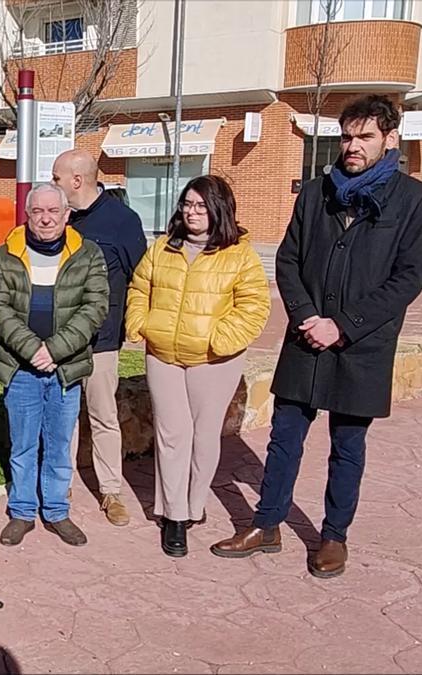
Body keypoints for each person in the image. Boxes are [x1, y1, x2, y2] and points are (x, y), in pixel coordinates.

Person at [211, 95, 422, 578]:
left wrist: (343, 325)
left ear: (389, 139)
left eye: (365, 137)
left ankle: (334, 536)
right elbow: (288, 260)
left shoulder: (416, 200)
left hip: (362, 347)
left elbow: (407, 279)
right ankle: (266, 524)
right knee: (284, 439)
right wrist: (308, 316)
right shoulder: (316, 193)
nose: (353, 146)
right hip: (306, 340)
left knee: (347, 447)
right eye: (347, 136)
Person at [125, 175, 270, 557]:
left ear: (218, 209)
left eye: (201, 206)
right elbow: (139, 288)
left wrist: (219, 339)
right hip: (164, 355)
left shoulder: (239, 254)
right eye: (187, 204)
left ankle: (194, 503)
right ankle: (174, 516)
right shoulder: (162, 248)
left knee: (204, 437)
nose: (192, 212)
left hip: (214, 360)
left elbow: (254, 305)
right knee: (171, 435)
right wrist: (140, 323)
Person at [0, 184, 109, 547]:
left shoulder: (88, 254)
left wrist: (54, 350)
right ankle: (22, 511)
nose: (45, 219)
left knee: (58, 445)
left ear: (67, 214)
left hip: (65, 367)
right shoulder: (5, 255)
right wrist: (32, 350)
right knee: (23, 445)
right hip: (20, 367)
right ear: (27, 214)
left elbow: (95, 308)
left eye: (53, 211)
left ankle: (56, 510)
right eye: (38, 211)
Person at [52, 148, 147, 526]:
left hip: (102, 342)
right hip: (61, 340)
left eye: (57, 178)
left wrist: (135, 323)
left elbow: (141, 277)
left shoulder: (122, 220)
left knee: (104, 417)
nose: (52, 183)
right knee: (63, 418)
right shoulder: (59, 217)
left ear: (77, 180)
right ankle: (60, 486)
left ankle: (111, 491)